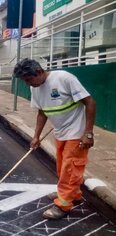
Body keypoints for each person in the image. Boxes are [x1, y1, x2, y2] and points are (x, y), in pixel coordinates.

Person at [13, 58, 96, 220]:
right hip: (60, 132)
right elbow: (42, 112)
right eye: (25, 81)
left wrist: (88, 133)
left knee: (69, 168)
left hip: (77, 133)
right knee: (62, 168)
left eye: (29, 79)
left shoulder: (64, 78)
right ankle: (74, 195)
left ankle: (63, 205)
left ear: (38, 72)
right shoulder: (35, 88)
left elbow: (90, 102)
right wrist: (36, 136)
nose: (28, 84)